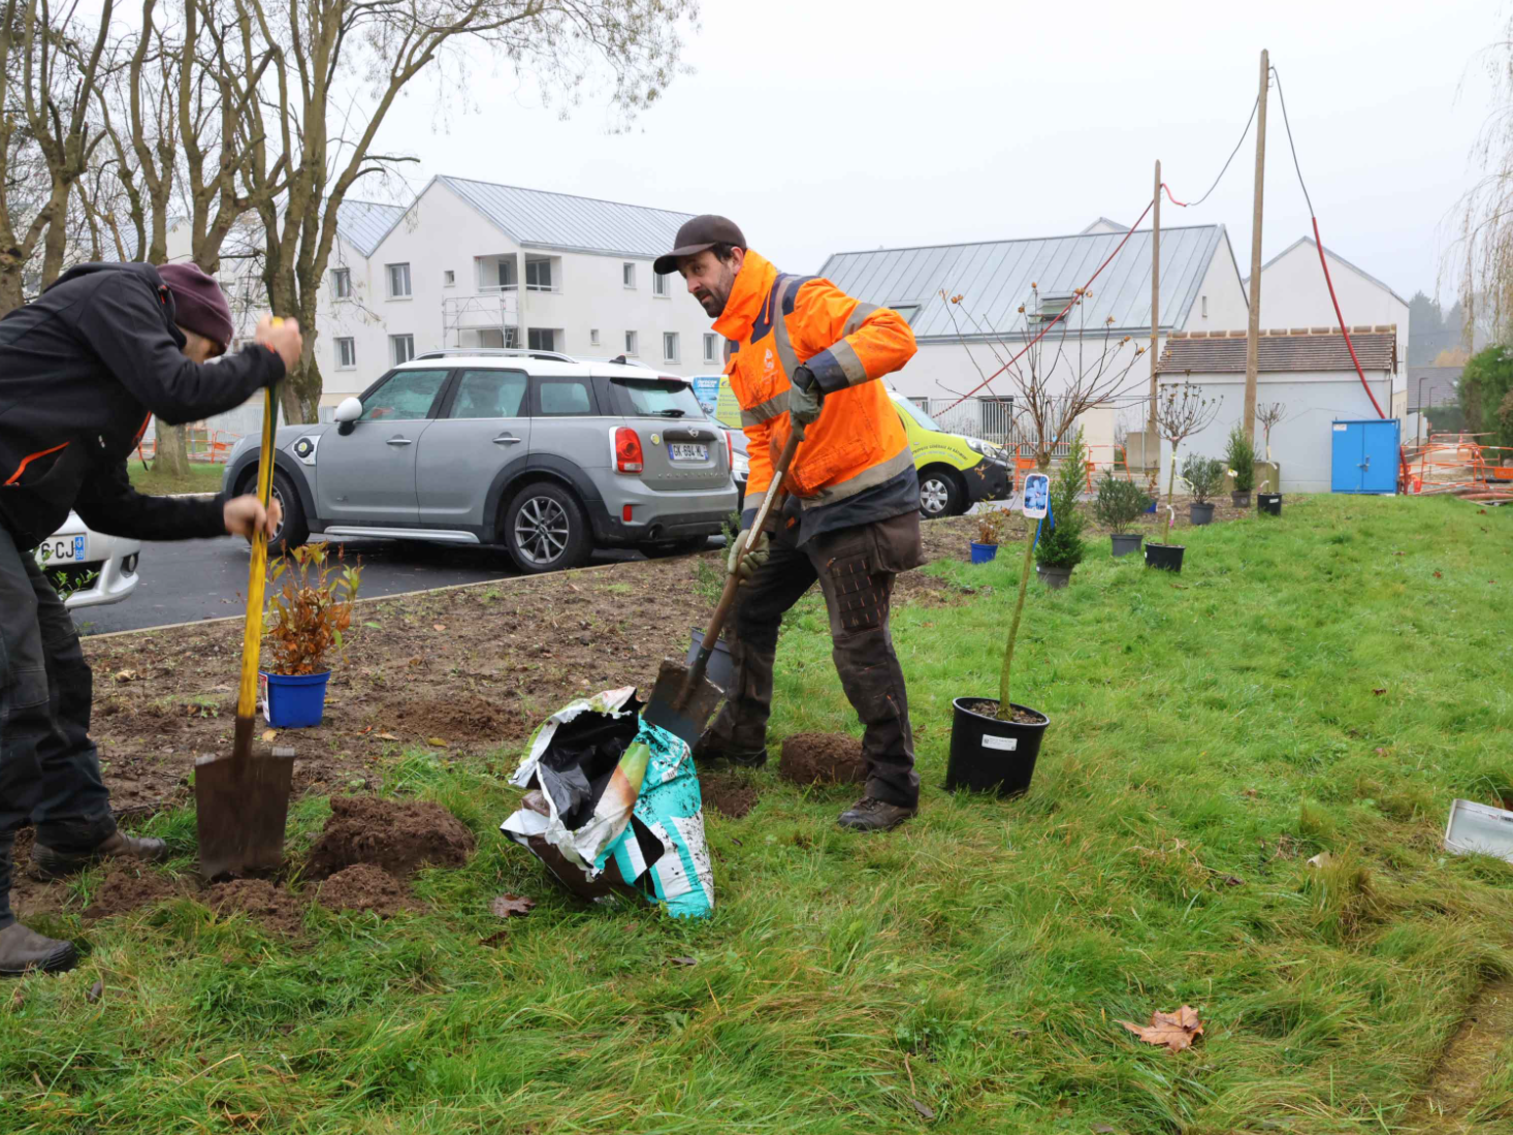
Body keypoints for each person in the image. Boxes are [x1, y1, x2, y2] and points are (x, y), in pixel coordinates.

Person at [0, 260, 302, 976]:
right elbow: (178, 392)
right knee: (14, 694)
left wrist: (219, 514)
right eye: (208, 351)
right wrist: (266, 360)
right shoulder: (116, 295)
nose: (202, 364)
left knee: (61, 673)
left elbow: (111, 506)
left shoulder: (108, 389)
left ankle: (74, 828)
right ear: (178, 321)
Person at [654, 216, 923, 833]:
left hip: (864, 499)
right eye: (685, 275)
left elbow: (895, 334)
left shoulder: (802, 301)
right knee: (748, 605)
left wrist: (821, 371)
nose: (692, 285)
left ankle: (893, 786)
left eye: (698, 269)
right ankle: (741, 736)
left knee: (859, 644)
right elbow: (760, 446)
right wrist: (753, 528)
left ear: (733, 258)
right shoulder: (738, 347)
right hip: (804, 502)